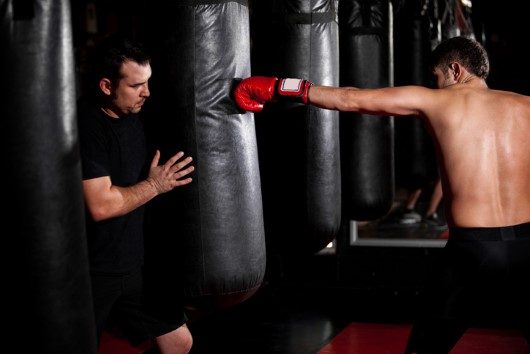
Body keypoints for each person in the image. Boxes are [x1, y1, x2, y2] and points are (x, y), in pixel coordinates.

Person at [232, 36, 530, 353]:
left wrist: (279, 87)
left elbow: (350, 99)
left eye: (437, 77)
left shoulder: (439, 101)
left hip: (473, 252)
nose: (436, 85)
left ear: (455, 70)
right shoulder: (525, 105)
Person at [77, 34, 194, 353]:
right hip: (92, 274)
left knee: (178, 342)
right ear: (106, 86)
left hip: (135, 266)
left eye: (148, 82)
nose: (147, 92)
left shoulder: (138, 118)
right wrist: (155, 185)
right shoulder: (88, 128)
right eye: (136, 85)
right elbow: (100, 205)